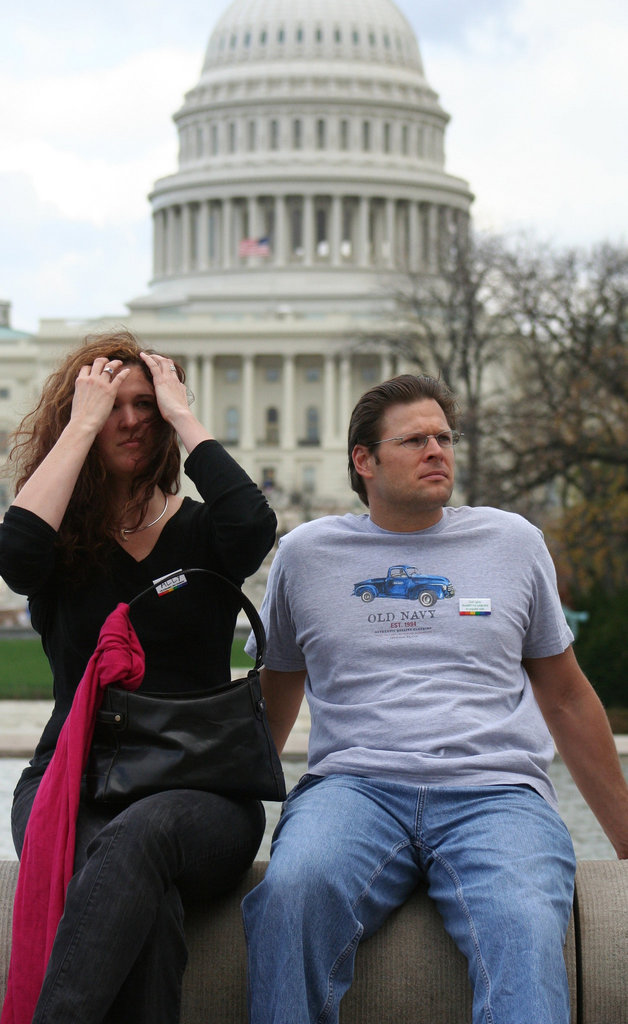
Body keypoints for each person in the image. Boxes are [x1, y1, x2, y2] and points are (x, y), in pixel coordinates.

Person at [242, 373, 628, 1024]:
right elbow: (275, 695)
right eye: (415, 439)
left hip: (497, 792)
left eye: (444, 437)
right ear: (364, 461)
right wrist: (227, 815)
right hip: (353, 790)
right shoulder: (304, 555)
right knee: (293, 890)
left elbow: (565, 697)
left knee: (524, 917)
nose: (437, 451)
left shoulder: (513, 543)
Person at [0, 328, 276, 1024]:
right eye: (109, 405)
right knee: (141, 902)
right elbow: (16, 556)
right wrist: (80, 423)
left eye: (145, 404)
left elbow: (253, 526)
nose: (129, 419)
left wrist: (185, 415)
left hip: (204, 791)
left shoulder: (206, 533)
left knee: (137, 839)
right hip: (72, 776)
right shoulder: (61, 544)